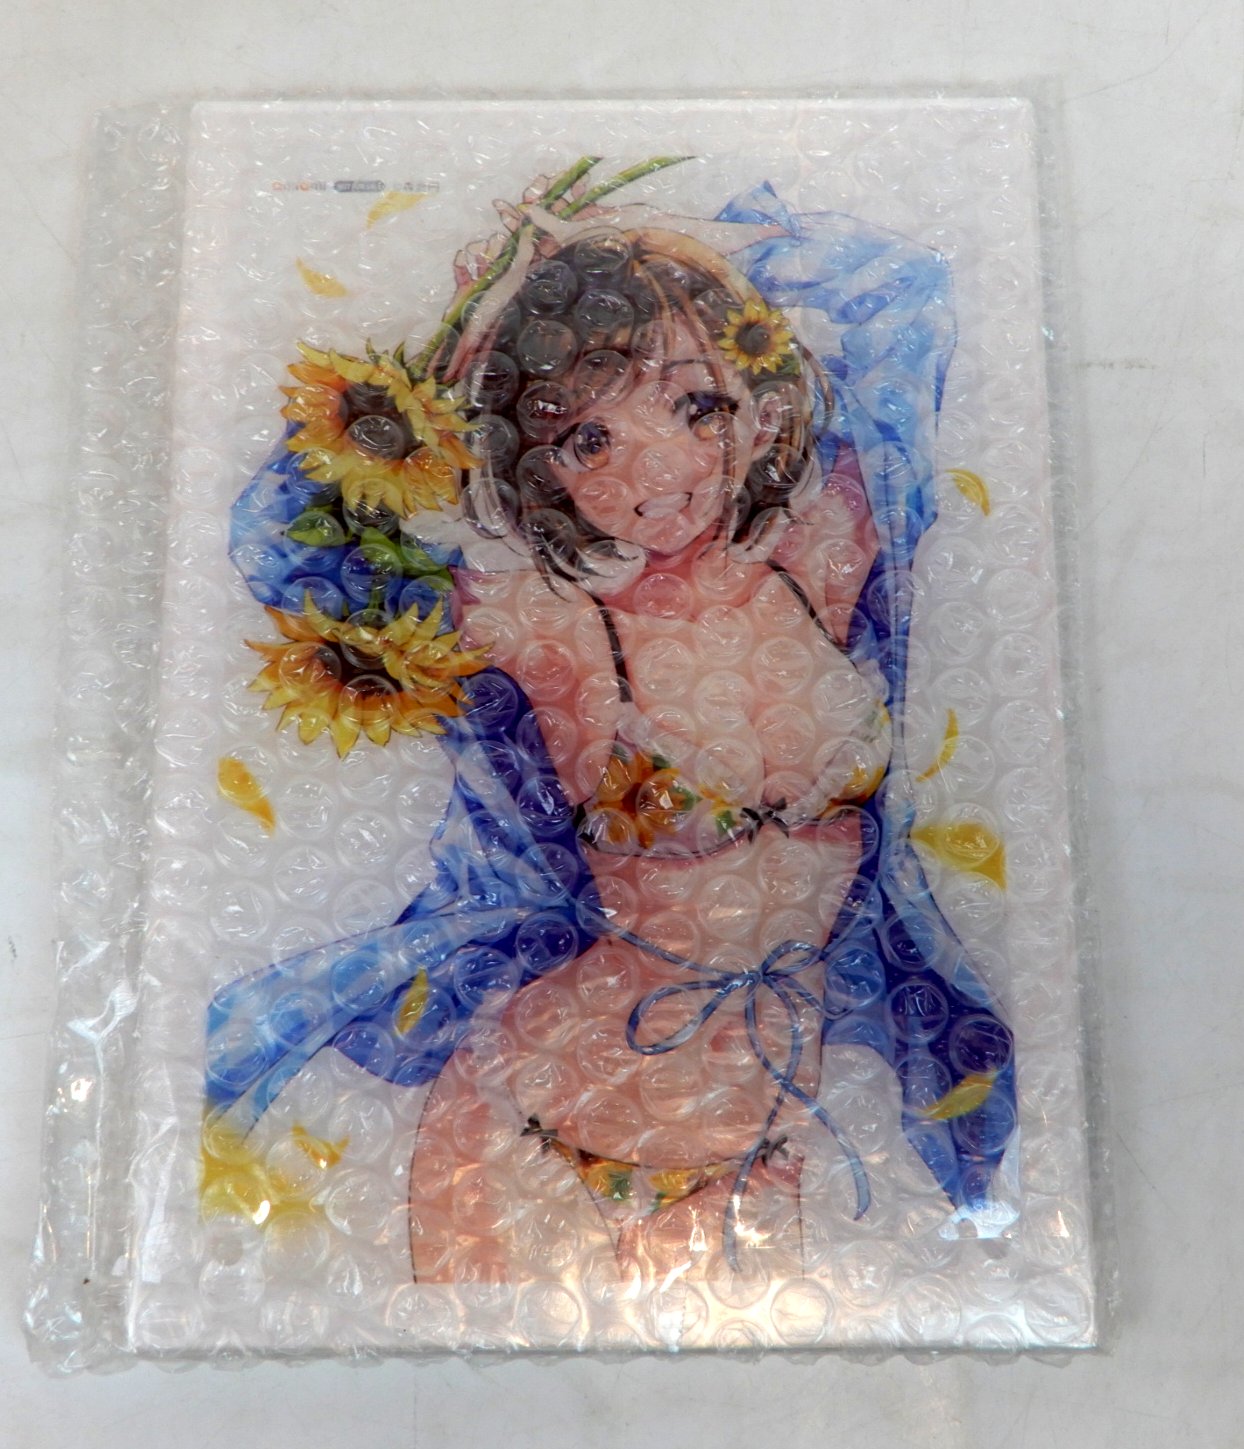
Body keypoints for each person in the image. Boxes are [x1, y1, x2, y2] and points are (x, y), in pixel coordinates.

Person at [206, 163, 1017, 1294]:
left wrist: (671, 245)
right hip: (533, 1119)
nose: (661, 468)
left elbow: (905, 293)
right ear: (538, 470)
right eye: (588, 439)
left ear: (761, 402)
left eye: (696, 405)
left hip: (757, 1129)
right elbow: (283, 540)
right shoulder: (546, 624)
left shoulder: (827, 550)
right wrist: (432, 367)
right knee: (458, 1380)